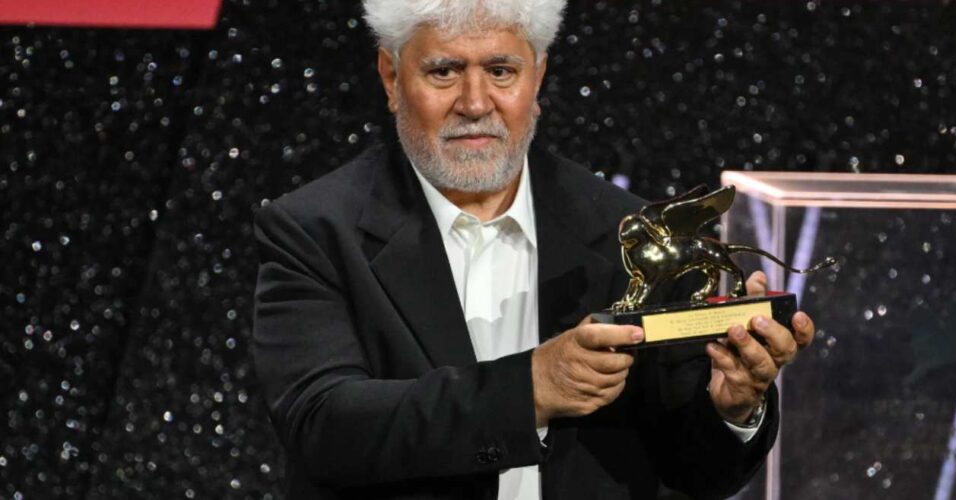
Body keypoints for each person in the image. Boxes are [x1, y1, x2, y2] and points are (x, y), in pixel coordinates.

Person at [251, 1, 816, 499]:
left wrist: (732, 407)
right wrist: (529, 390)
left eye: (501, 71)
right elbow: (324, 427)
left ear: (537, 76)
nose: (475, 103)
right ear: (391, 77)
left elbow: (696, 471)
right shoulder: (314, 230)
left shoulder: (629, 231)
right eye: (443, 71)